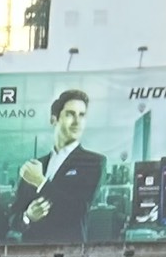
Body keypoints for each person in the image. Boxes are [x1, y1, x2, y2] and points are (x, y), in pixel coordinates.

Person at [7, 87, 100, 243]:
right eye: (70, 114)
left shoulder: (93, 162)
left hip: (71, 253)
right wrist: (27, 217)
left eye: (82, 115)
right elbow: (12, 219)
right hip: (32, 255)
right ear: (53, 120)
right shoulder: (36, 165)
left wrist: (40, 182)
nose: (77, 121)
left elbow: (78, 210)